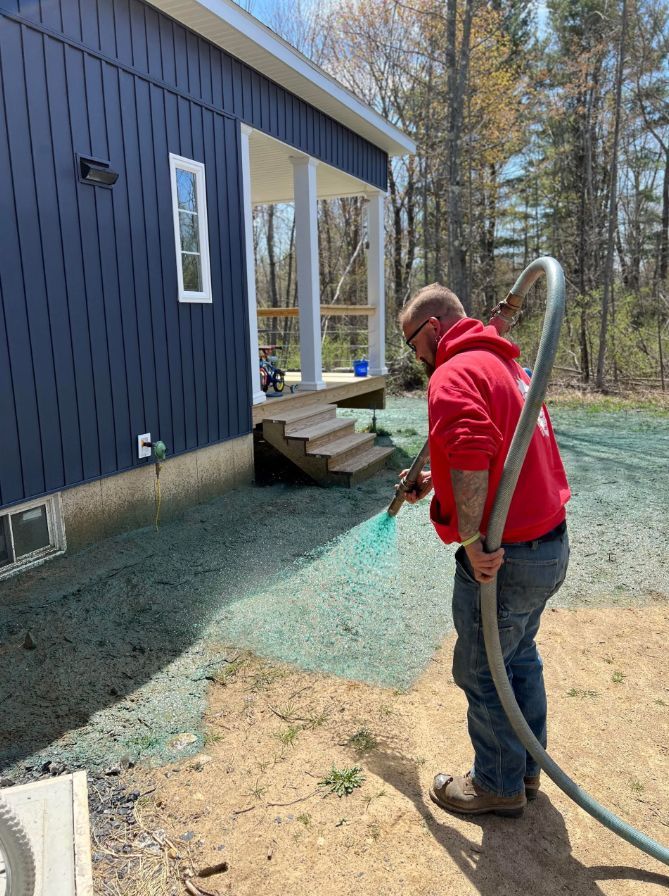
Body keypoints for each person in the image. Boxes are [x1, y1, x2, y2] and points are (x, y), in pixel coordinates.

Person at [399, 283, 571, 818]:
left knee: (480, 668)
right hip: (548, 546)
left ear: (432, 330)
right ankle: (524, 769)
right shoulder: (503, 365)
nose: (418, 359)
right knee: (518, 657)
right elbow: (491, 449)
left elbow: (473, 453)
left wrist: (472, 541)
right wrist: (436, 480)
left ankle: (497, 784)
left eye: (413, 346)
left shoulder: (453, 373)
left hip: (506, 555)